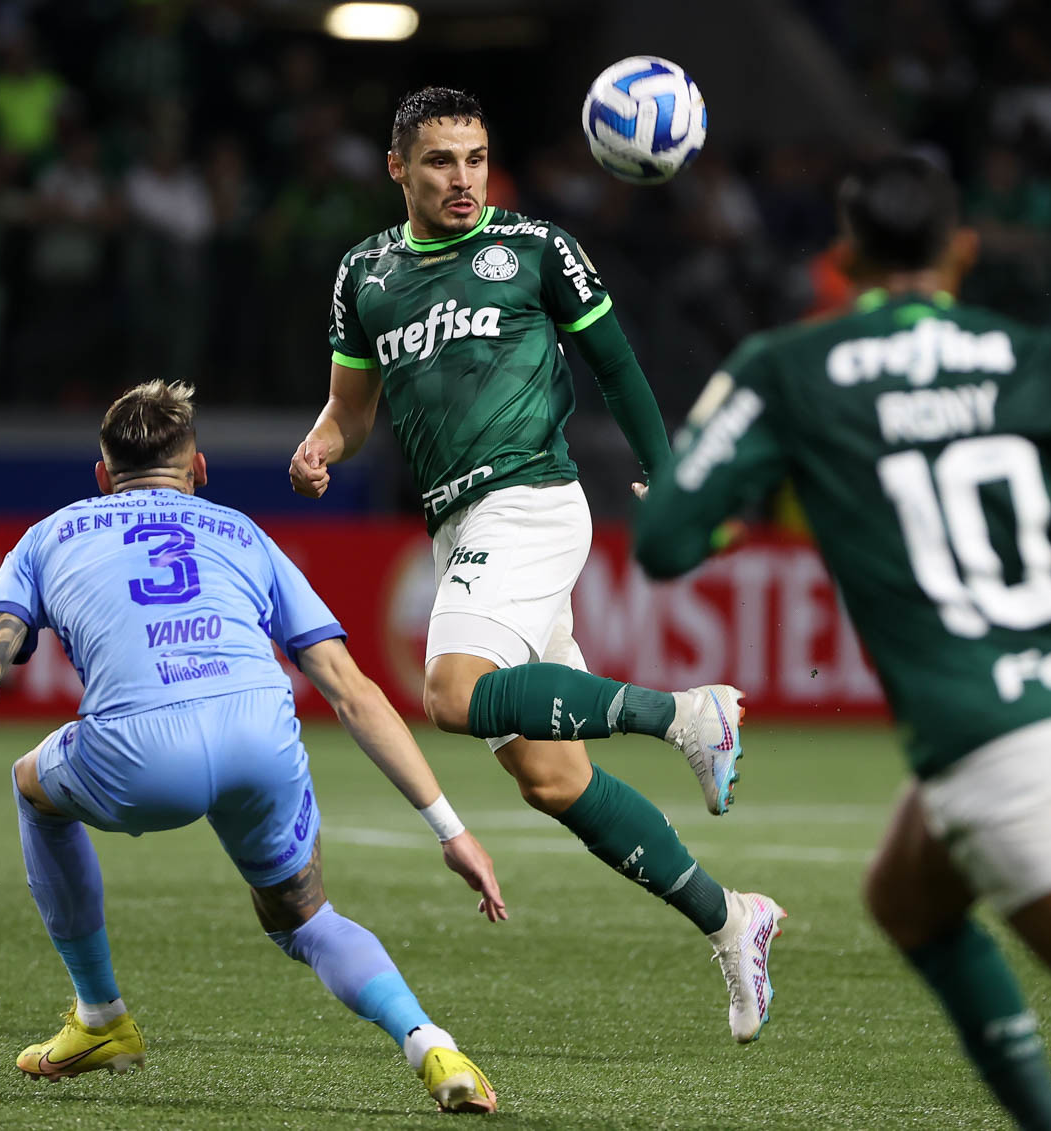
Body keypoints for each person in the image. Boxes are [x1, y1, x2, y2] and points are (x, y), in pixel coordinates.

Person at [633, 153, 1051, 1130]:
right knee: (907, 900)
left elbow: (663, 540)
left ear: (843, 256)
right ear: (962, 251)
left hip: (990, 742)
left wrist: (719, 519)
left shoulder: (787, 368)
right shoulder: (1037, 352)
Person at [287, 86, 784, 1042]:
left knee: (452, 693)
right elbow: (351, 411)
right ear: (398, 169)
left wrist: (669, 476)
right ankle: (734, 920)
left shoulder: (537, 248)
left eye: (475, 158)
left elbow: (617, 365)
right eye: (440, 161)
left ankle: (690, 714)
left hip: (530, 501)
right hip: (457, 525)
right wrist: (321, 447)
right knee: (554, 781)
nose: (462, 178)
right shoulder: (366, 274)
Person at [0, 380, 504, 1114]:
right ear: (199, 469)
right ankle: (431, 1042)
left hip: (139, 753)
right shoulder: (243, 533)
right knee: (306, 916)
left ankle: (100, 1016)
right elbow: (351, 690)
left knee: (31, 784)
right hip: (259, 739)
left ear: (103, 478)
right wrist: (450, 830)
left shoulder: (47, 536)